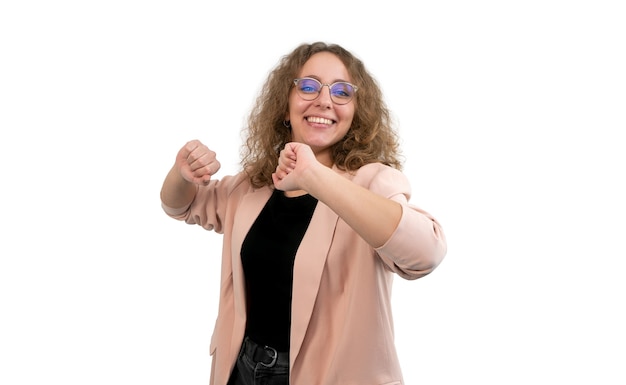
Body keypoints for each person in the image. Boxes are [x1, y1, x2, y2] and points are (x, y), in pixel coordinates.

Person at [160, 41, 447, 385]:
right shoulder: (254, 185)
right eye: (309, 86)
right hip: (241, 367)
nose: (324, 99)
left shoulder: (373, 182)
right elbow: (181, 205)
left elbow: (426, 254)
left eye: (342, 92)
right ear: (285, 106)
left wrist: (314, 176)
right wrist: (182, 173)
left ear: (356, 114)